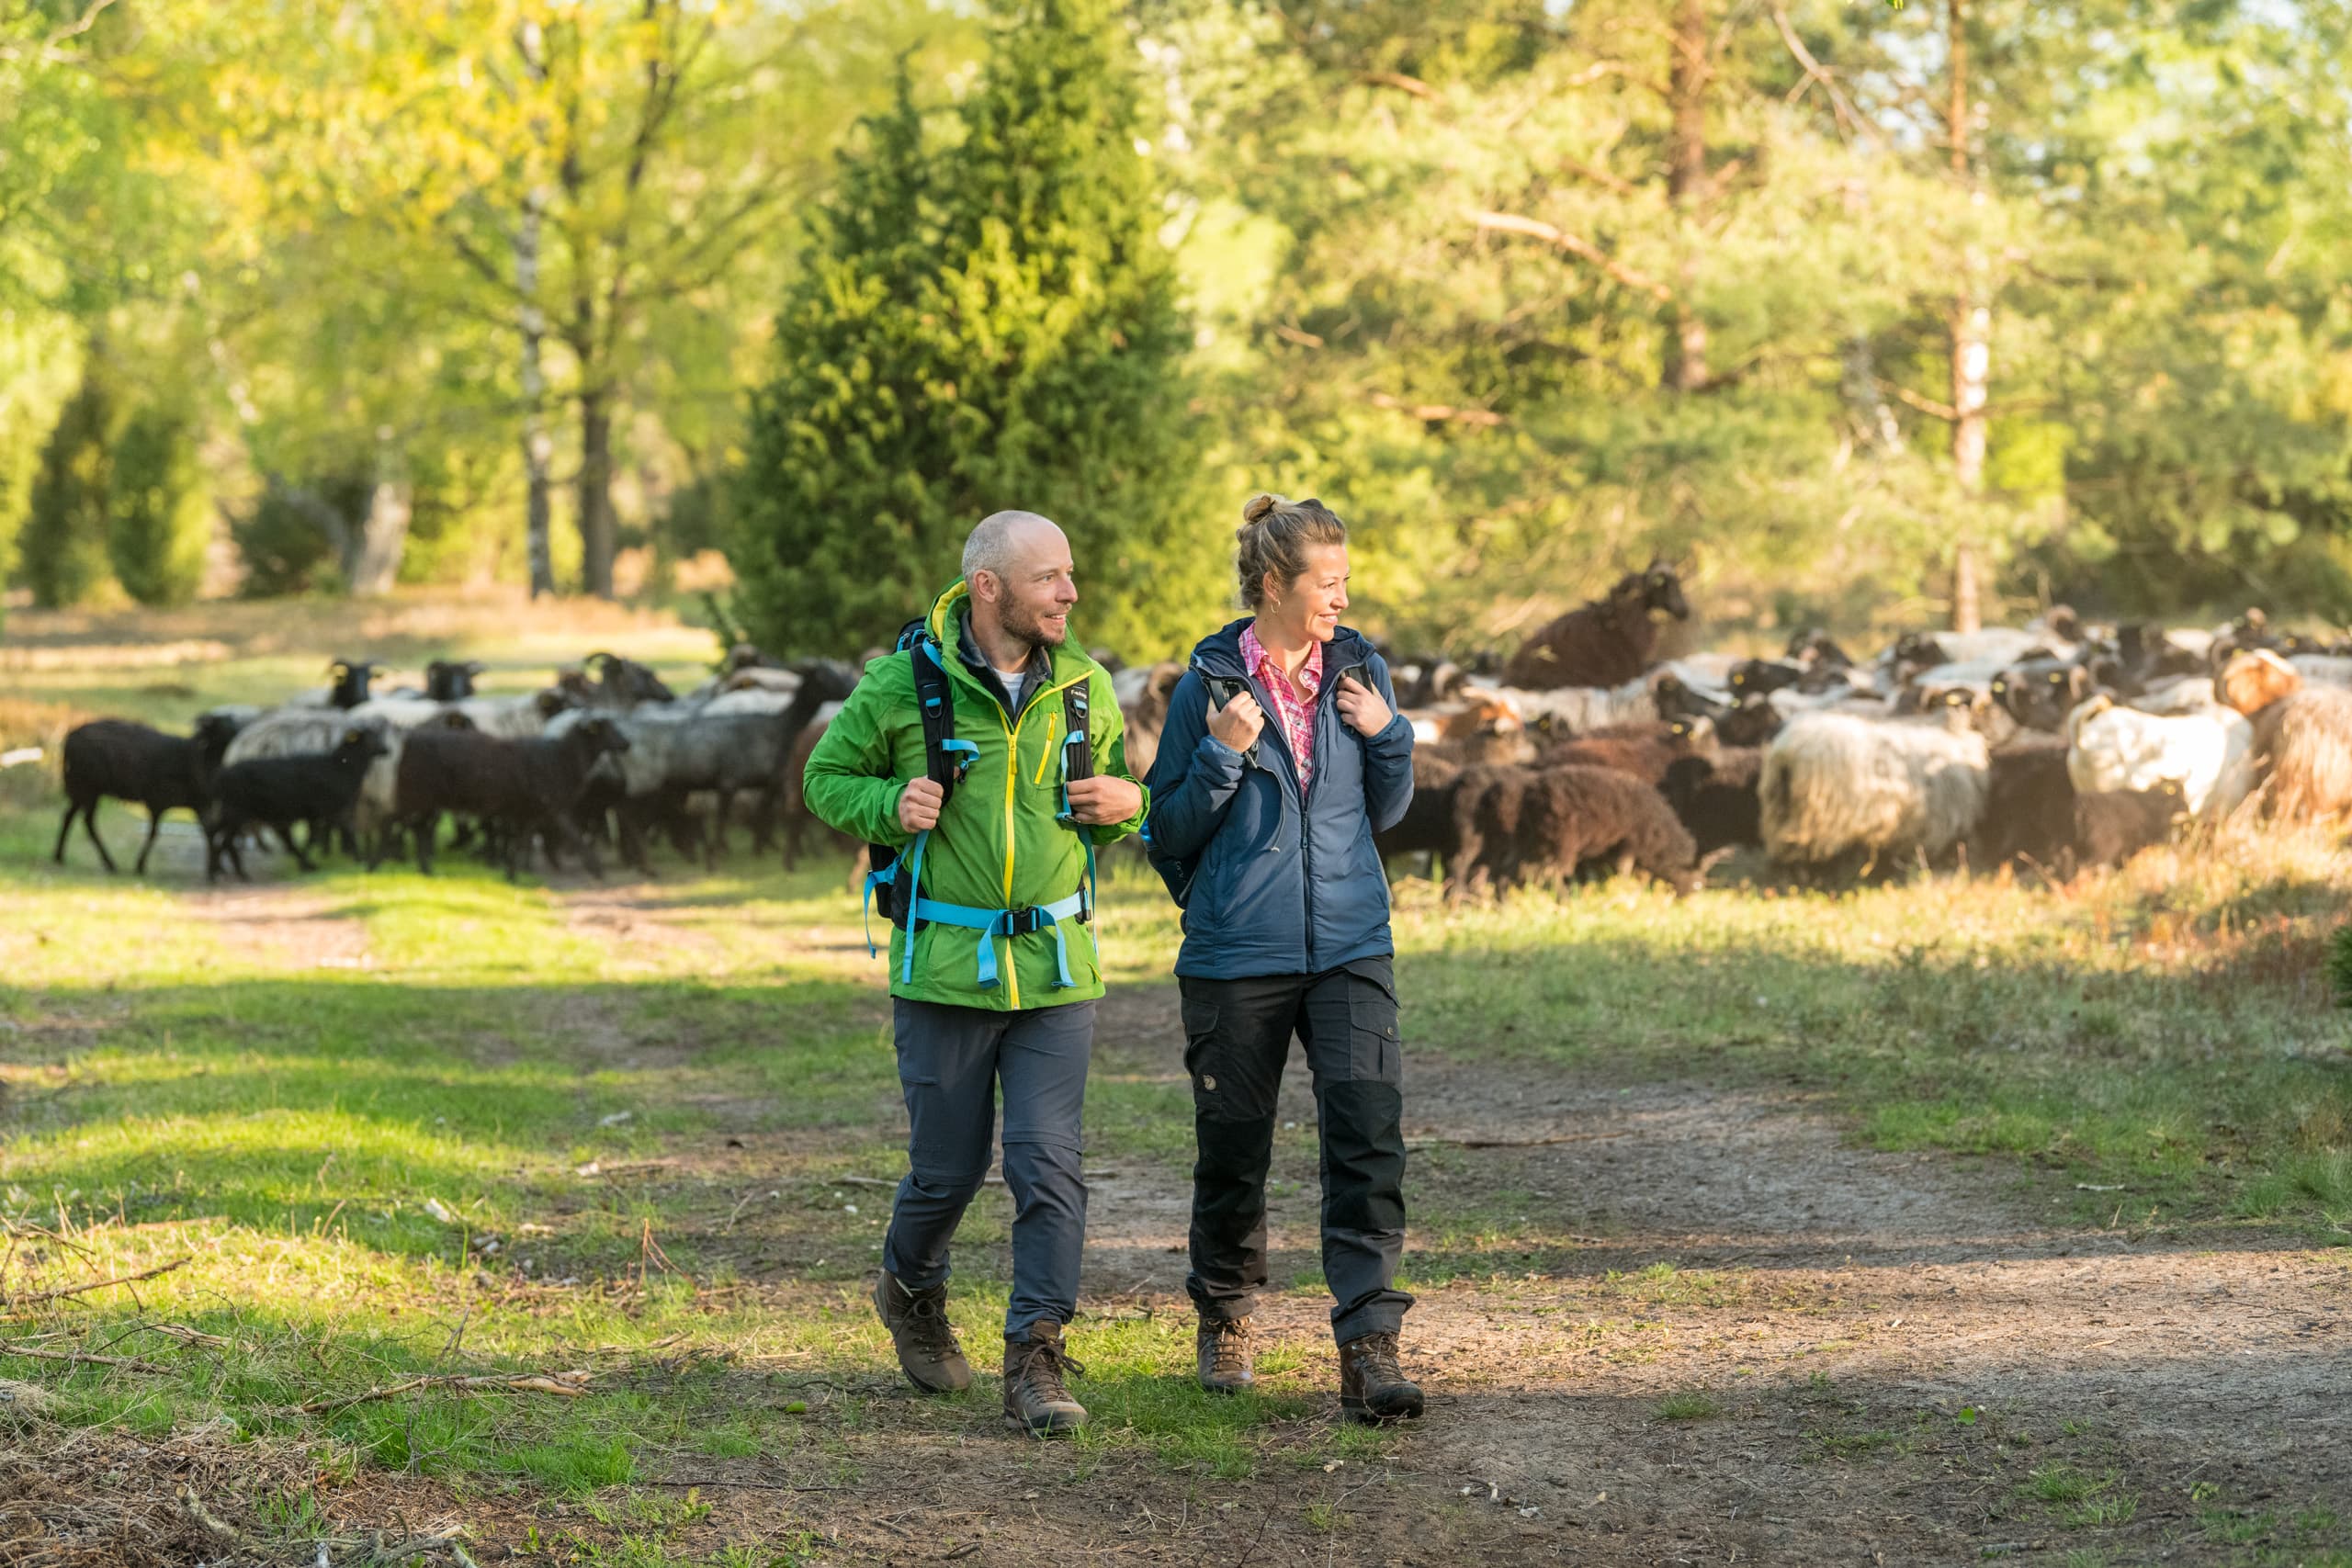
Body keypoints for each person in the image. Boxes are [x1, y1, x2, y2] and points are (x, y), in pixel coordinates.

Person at [802, 511, 1148, 1437]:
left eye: (1070, 574)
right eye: (1050, 578)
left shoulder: (1084, 688)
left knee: (1047, 1165)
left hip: (1056, 971)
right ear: (990, 588)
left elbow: (1108, 808)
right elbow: (823, 779)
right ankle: (910, 1290)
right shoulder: (901, 685)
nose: (1070, 592)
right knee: (945, 1172)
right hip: (944, 969)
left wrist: (1132, 802)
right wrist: (887, 800)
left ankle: (1034, 1360)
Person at [1141, 493, 1423, 1423]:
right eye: (1327, 583)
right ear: (1274, 585)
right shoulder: (1209, 685)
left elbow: (1387, 812)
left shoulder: (1361, 671)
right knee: (1233, 1148)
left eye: (1346, 582)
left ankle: (1370, 1344)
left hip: (1350, 945)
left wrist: (1388, 734)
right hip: (1236, 957)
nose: (1342, 600)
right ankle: (1224, 1316)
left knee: (1367, 1136)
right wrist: (1221, 757)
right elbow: (1166, 828)